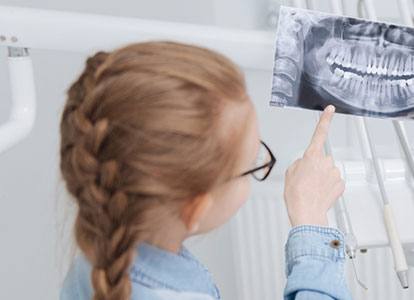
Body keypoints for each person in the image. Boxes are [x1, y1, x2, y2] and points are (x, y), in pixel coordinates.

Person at [58, 41, 350, 300]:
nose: (256, 163)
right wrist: (311, 221)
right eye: (250, 165)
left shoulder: (95, 261)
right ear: (195, 208)